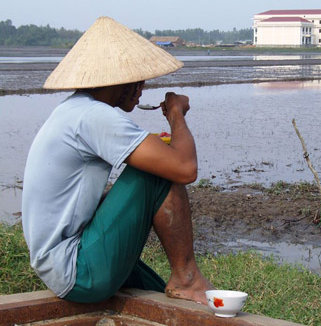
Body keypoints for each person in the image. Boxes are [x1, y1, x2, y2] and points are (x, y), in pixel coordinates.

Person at [21, 16, 213, 304]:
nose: (141, 91)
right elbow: (184, 168)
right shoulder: (96, 116)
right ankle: (187, 278)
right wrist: (176, 115)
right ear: (125, 82)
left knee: (154, 290)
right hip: (76, 269)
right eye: (139, 82)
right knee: (156, 173)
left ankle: (181, 285)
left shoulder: (74, 110)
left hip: (61, 265)